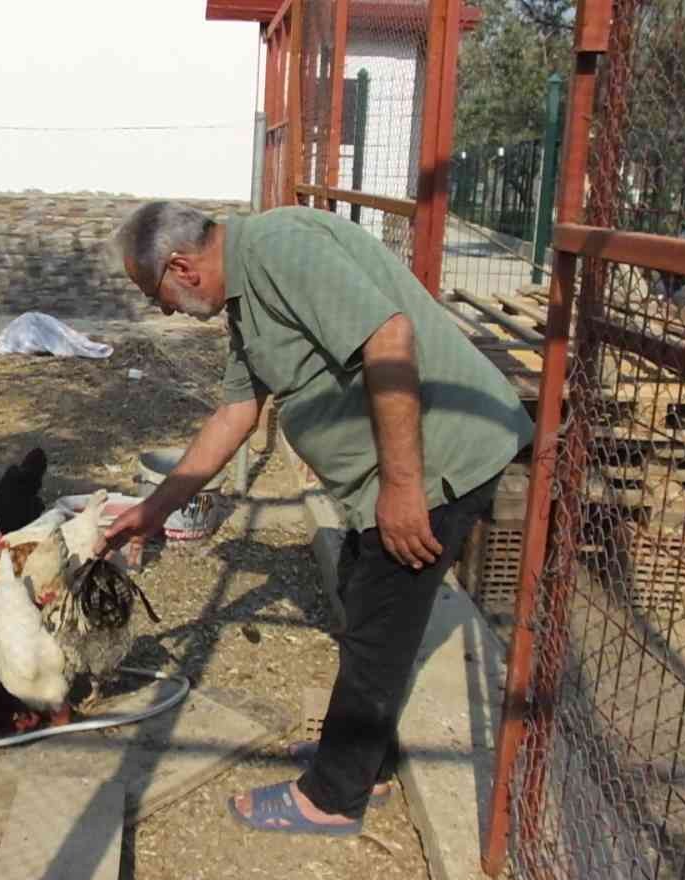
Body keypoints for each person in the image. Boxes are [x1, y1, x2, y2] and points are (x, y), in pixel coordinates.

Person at [97, 201, 534, 834]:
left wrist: (404, 488)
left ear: (181, 267)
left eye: (154, 293)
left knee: (377, 626)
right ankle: (362, 761)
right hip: (394, 475)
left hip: (439, 460)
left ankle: (333, 797)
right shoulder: (247, 294)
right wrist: (154, 509)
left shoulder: (281, 250)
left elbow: (389, 338)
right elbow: (235, 414)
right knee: (366, 599)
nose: (162, 310)